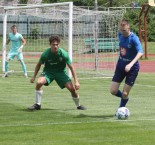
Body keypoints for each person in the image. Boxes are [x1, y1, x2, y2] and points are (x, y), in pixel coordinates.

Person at [28, 35, 86, 111]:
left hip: (60, 72)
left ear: (59, 44)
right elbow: (38, 65)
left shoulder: (63, 54)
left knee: (72, 89)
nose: (55, 46)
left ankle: (78, 106)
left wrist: (76, 81)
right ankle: (37, 104)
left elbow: (71, 67)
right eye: (53, 44)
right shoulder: (45, 54)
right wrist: (34, 77)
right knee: (39, 83)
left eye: (57, 44)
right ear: (50, 45)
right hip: (48, 72)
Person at [110, 19, 143, 108]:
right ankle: (125, 98)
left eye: (124, 30)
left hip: (132, 68)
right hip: (120, 65)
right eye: (121, 30)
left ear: (128, 27)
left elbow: (140, 52)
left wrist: (130, 64)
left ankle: (121, 109)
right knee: (113, 91)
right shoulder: (120, 34)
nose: (122, 32)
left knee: (125, 93)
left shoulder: (134, 38)